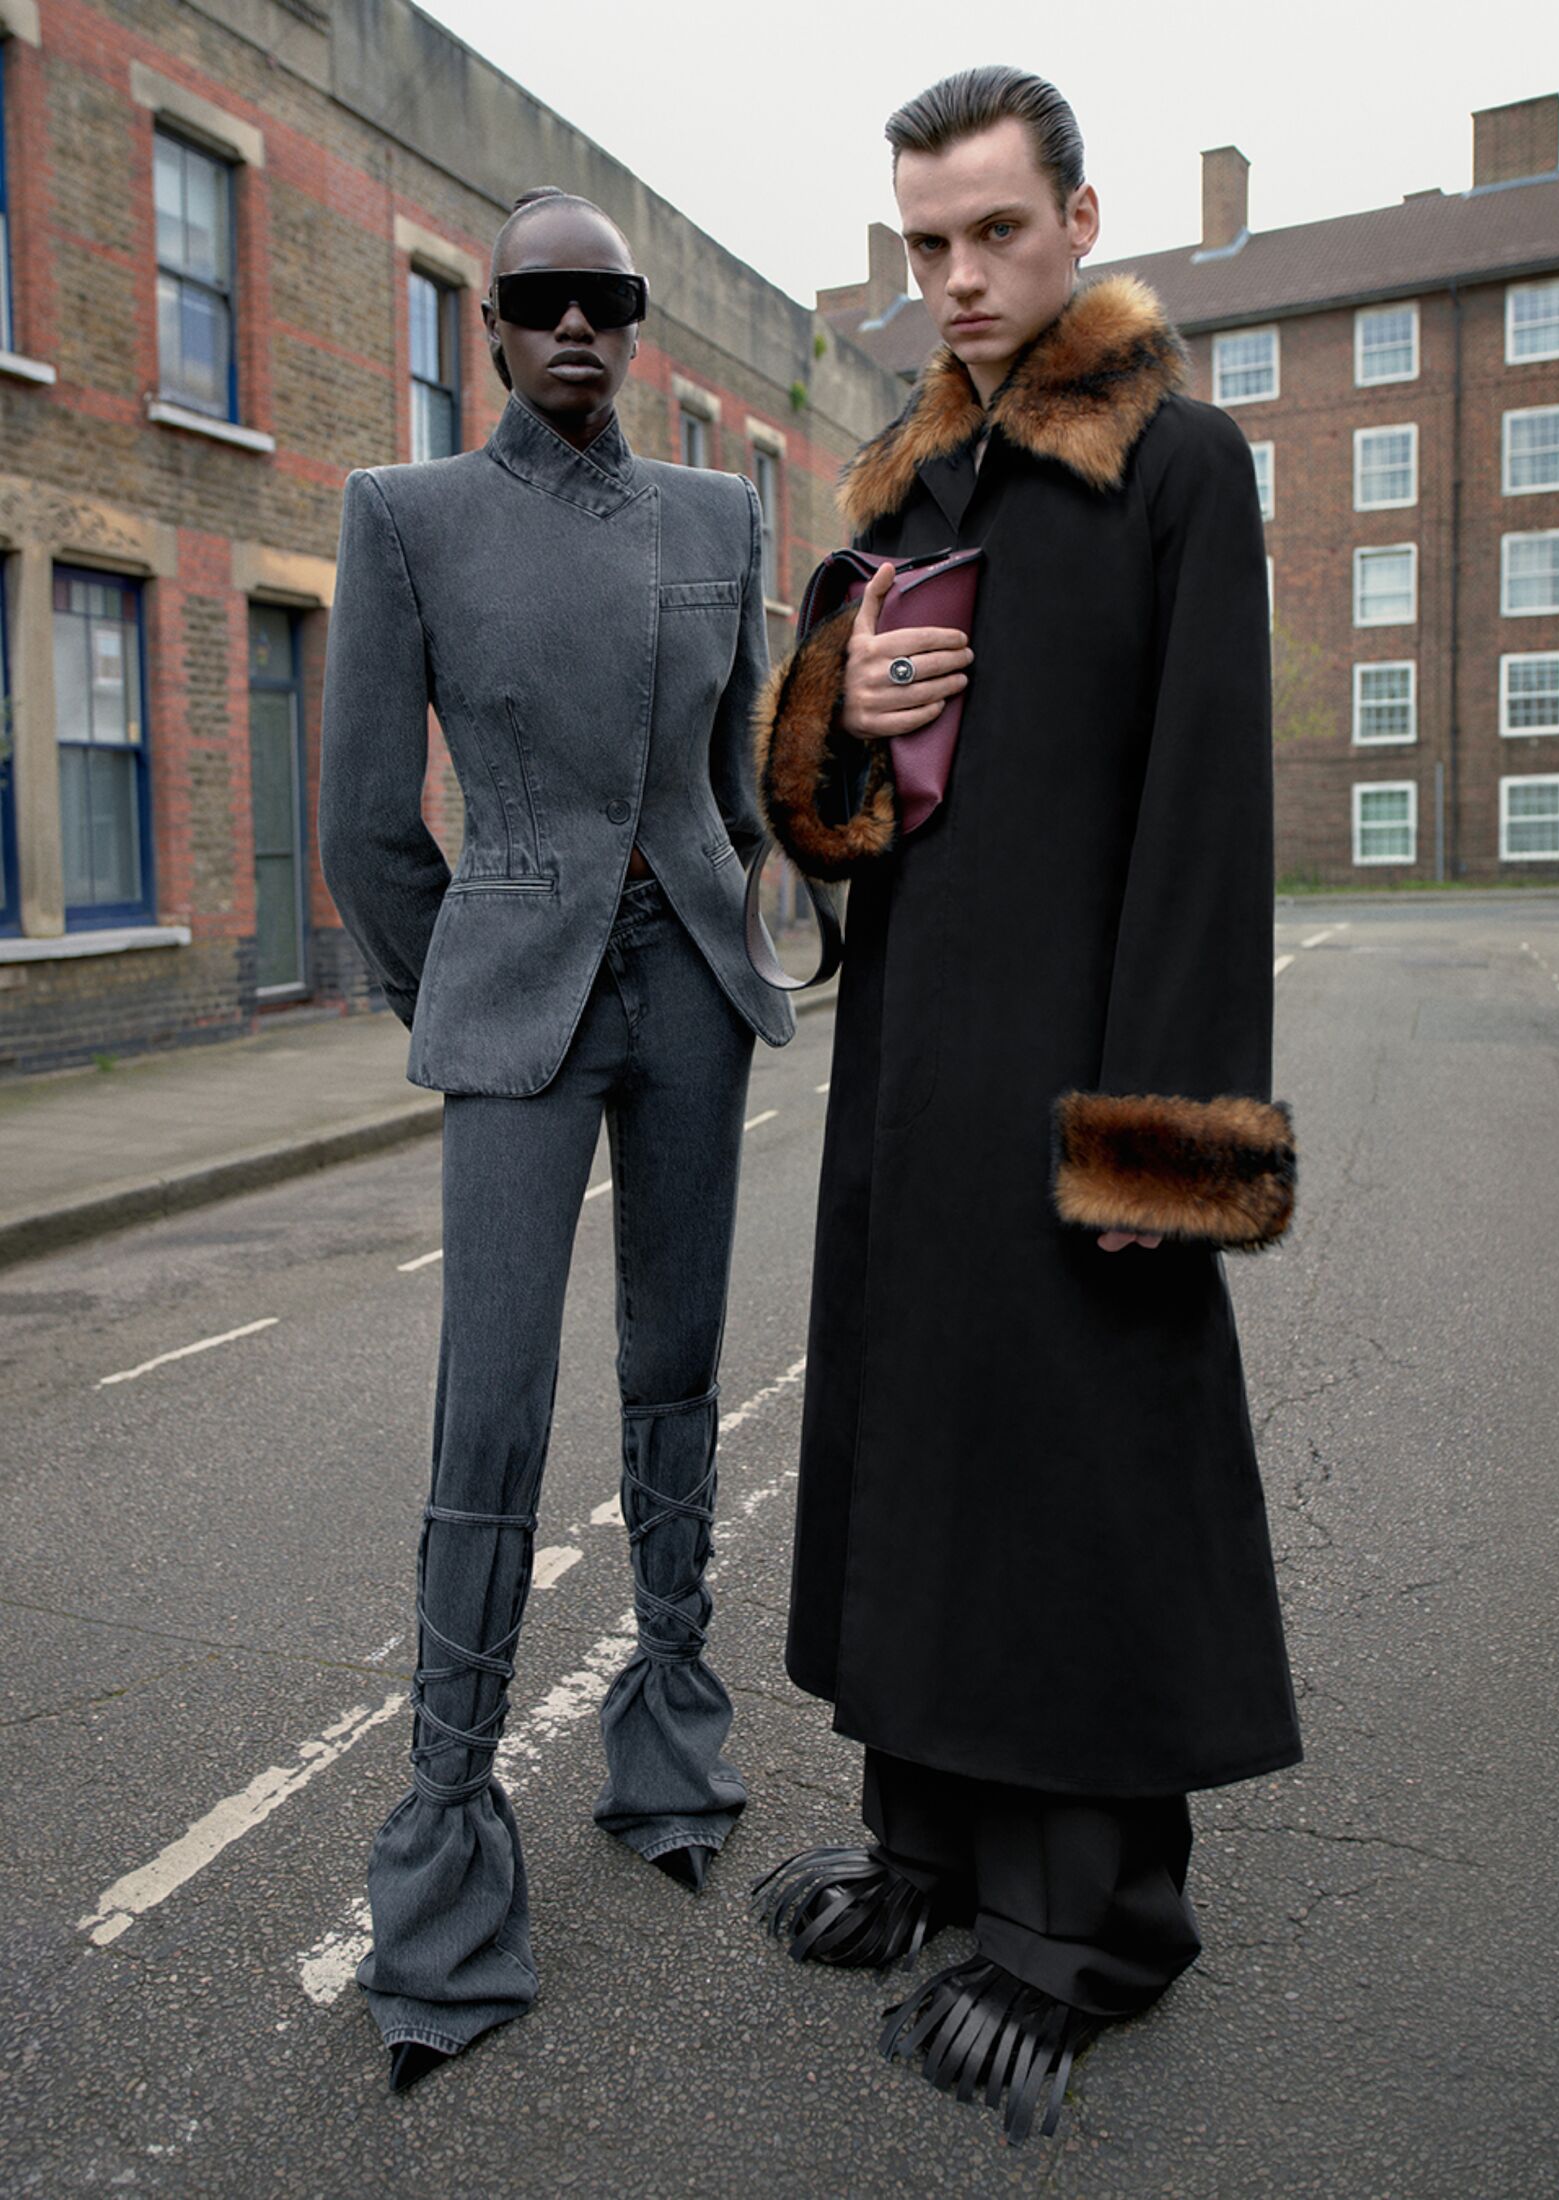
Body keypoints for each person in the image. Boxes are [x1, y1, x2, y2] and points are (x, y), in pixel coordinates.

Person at [750, 68, 1301, 2145]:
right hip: (911, 1064)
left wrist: (1164, 1139)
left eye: (993, 232)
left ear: (1078, 216)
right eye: (926, 244)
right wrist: (838, 709)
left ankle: (1086, 1931)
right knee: (921, 1450)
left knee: (1072, 1479)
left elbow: (1206, 818)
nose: (958, 278)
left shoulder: (1179, 461)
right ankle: (929, 1854)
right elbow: (815, 804)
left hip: (1085, 1077)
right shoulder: (902, 480)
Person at [319, 186, 793, 2091]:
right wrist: (481, 987)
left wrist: (812, 844)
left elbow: (738, 777)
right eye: (540, 301)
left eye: (610, 300)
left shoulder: (719, 518)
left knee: (674, 1362)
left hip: (689, 993)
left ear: (634, 325)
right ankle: (444, 1865)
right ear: (489, 327)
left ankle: (668, 1735)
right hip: (517, 1001)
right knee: (492, 1406)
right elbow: (363, 820)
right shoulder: (405, 518)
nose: (576, 326)